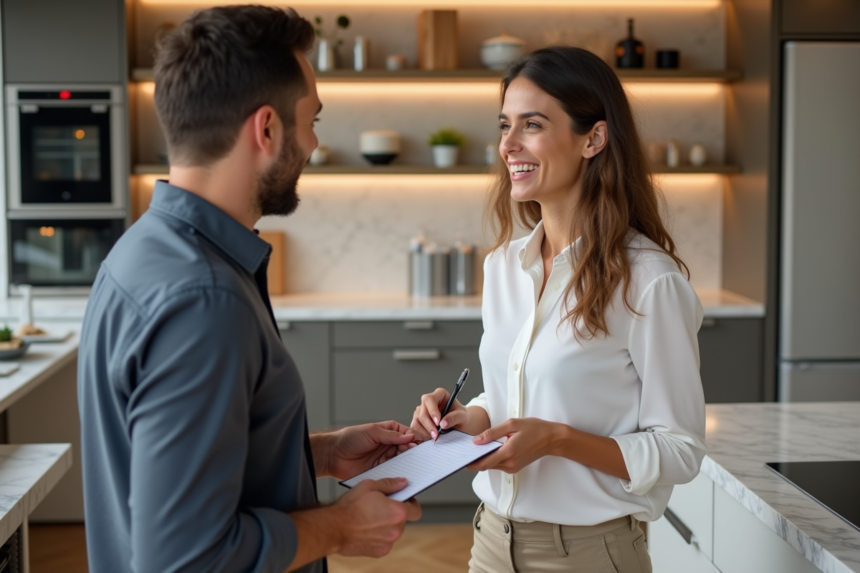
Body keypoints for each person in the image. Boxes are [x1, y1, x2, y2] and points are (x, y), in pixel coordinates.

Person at [77, 6, 420, 573]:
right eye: (311, 120)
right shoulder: (202, 300)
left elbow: (178, 471)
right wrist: (340, 526)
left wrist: (324, 453)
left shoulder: (141, 253)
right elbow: (188, 559)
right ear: (266, 129)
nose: (311, 144)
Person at [411, 46, 707, 573]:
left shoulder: (649, 280)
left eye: (532, 125)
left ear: (592, 138)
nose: (508, 145)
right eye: (505, 125)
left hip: (591, 553)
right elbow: (510, 392)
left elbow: (679, 451)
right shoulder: (504, 266)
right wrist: (466, 420)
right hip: (491, 543)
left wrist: (558, 440)